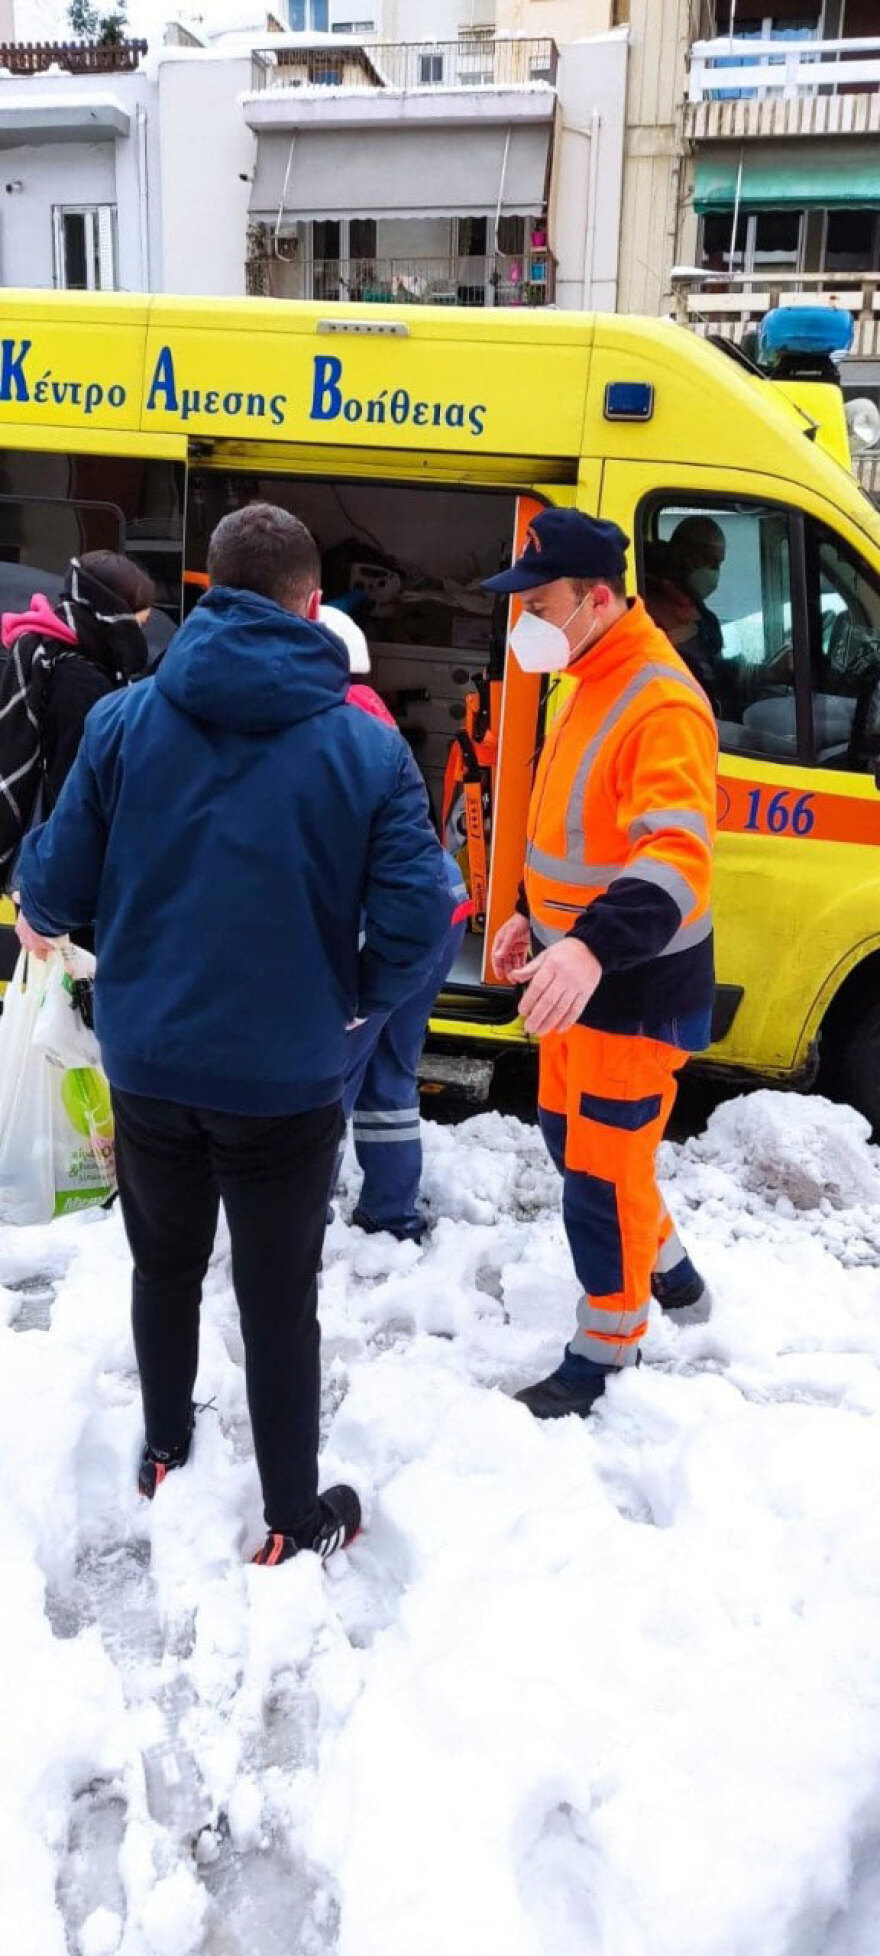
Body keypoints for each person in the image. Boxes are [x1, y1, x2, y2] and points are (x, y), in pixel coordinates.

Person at [15, 504, 452, 1565]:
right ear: (314, 605)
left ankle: (164, 1446)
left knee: (162, 1265)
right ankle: (290, 1518)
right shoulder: (366, 745)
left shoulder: (124, 722)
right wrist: (356, 996)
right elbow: (414, 917)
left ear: (207, 592)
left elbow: (52, 885)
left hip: (152, 1061)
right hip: (287, 1077)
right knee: (276, 1296)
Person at [486, 508, 717, 1420]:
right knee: (565, 1138)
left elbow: (674, 857)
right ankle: (669, 1265)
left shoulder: (660, 700)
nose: (523, 624)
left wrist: (580, 944)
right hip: (571, 980)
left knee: (598, 1175)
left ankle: (605, 1347)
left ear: (592, 598)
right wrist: (525, 922)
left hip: (629, 990)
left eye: (537, 603)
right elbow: (570, 834)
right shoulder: (583, 675)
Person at [320, 604, 472, 1242]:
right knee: (390, 1066)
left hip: (389, 923)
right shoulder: (372, 719)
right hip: (441, 914)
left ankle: (296, 1216)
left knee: (326, 1072)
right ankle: (389, 1210)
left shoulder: (331, 731)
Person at [0, 552, 154, 898]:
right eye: (138, 620)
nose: (142, 629)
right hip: (63, 874)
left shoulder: (52, 648)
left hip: (49, 862)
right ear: (112, 612)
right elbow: (74, 790)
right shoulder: (81, 679)